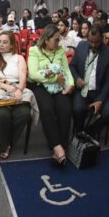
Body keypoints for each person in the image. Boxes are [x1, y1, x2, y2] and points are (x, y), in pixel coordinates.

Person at [27, 24, 74, 166]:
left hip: (58, 86)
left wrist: (70, 84)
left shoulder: (60, 50)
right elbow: (33, 74)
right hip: (40, 86)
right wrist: (54, 79)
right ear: (46, 39)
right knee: (47, 109)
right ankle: (57, 146)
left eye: (59, 39)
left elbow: (66, 69)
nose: (58, 42)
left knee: (65, 109)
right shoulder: (34, 50)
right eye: (56, 39)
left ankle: (61, 146)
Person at [0, 31, 35, 158]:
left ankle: (5, 142)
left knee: (24, 114)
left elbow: (23, 78)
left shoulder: (19, 58)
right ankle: (5, 145)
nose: (1, 45)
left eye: (5, 42)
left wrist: (19, 90)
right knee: (2, 115)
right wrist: (7, 88)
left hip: (18, 89)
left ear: (12, 45)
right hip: (0, 90)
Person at [69, 26, 109, 136]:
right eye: (91, 41)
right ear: (87, 38)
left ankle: (88, 132)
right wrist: (77, 79)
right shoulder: (81, 46)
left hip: (99, 91)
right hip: (82, 90)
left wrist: (100, 100)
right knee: (78, 109)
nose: (93, 45)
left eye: (96, 42)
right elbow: (72, 66)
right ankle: (78, 134)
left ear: (102, 38)